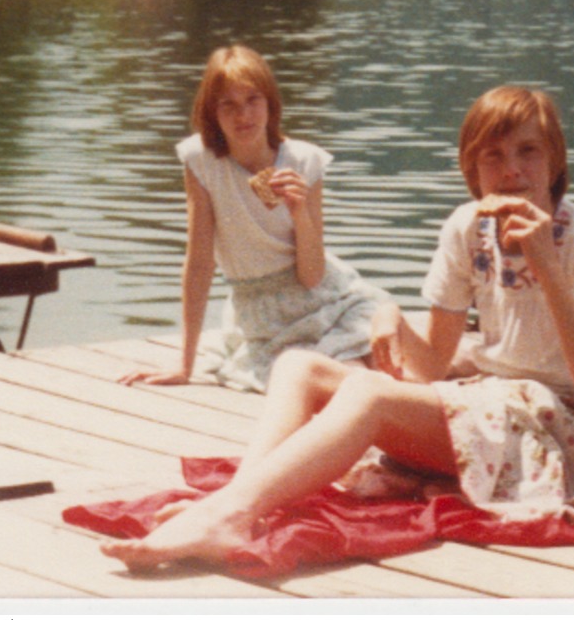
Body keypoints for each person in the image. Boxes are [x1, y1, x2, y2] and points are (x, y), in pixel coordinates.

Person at [101, 84, 574, 571]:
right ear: (471, 170)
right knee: (298, 364)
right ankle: (240, 498)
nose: (512, 172)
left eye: (529, 152)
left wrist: (547, 265)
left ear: (555, 161)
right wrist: (389, 316)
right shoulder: (466, 229)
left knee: (367, 393)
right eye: (493, 157)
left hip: (568, 433)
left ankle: (228, 515)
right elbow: (430, 366)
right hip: (495, 403)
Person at [118, 44, 388, 393]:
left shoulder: (304, 161)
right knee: (346, 382)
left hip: (328, 301)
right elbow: (199, 263)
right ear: (211, 112)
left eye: (252, 100)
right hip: (262, 317)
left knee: (392, 369)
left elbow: (312, 277)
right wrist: (183, 365)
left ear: (271, 104)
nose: (242, 115)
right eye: (227, 103)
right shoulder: (202, 161)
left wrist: (299, 213)